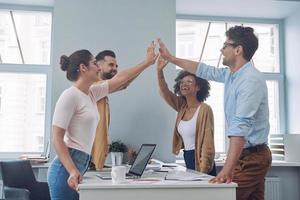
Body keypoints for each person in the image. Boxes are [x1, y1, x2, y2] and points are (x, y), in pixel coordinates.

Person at [158, 25, 272, 200]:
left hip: (252, 158)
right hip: (245, 155)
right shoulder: (231, 75)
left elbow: (240, 128)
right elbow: (203, 70)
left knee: (221, 196)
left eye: (226, 45)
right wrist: (170, 58)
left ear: (238, 50)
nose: (221, 49)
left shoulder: (250, 80)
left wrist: (226, 170)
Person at [47, 42, 157, 200]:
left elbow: (121, 79)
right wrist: (72, 170)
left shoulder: (92, 93)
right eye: (94, 63)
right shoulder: (69, 95)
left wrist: (147, 62)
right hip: (65, 169)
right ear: (83, 68)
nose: (98, 68)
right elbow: (57, 139)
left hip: (80, 163)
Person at [156, 56, 216, 176]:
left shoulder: (204, 109)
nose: (184, 84)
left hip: (201, 159)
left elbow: (208, 144)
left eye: (189, 82)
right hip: (187, 156)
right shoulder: (182, 107)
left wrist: (203, 171)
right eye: (182, 82)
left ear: (198, 87)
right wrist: (159, 71)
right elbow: (164, 92)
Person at [90, 50, 137, 170]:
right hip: (88, 162)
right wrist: (146, 63)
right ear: (98, 65)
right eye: (111, 65)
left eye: (116, 66)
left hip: (95, 162)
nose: (115, 68)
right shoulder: (93, 87)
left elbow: (124, 83)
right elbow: (122, 80)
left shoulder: (102, 90)